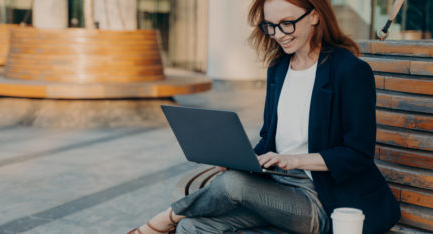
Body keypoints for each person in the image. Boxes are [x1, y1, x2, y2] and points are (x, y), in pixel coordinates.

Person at [129, 0, 401, 233]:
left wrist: (294, 160)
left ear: (315, 16)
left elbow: (358, 154)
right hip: (275, 189)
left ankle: (162, 221)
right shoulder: (279, 68)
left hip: (321, 201)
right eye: (270, 25)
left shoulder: (349, 71)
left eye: (287, 23)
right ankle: (177, 220)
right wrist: (240, 159)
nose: (278, 34)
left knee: (231, 185)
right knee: (193, 228)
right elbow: (268, 140)